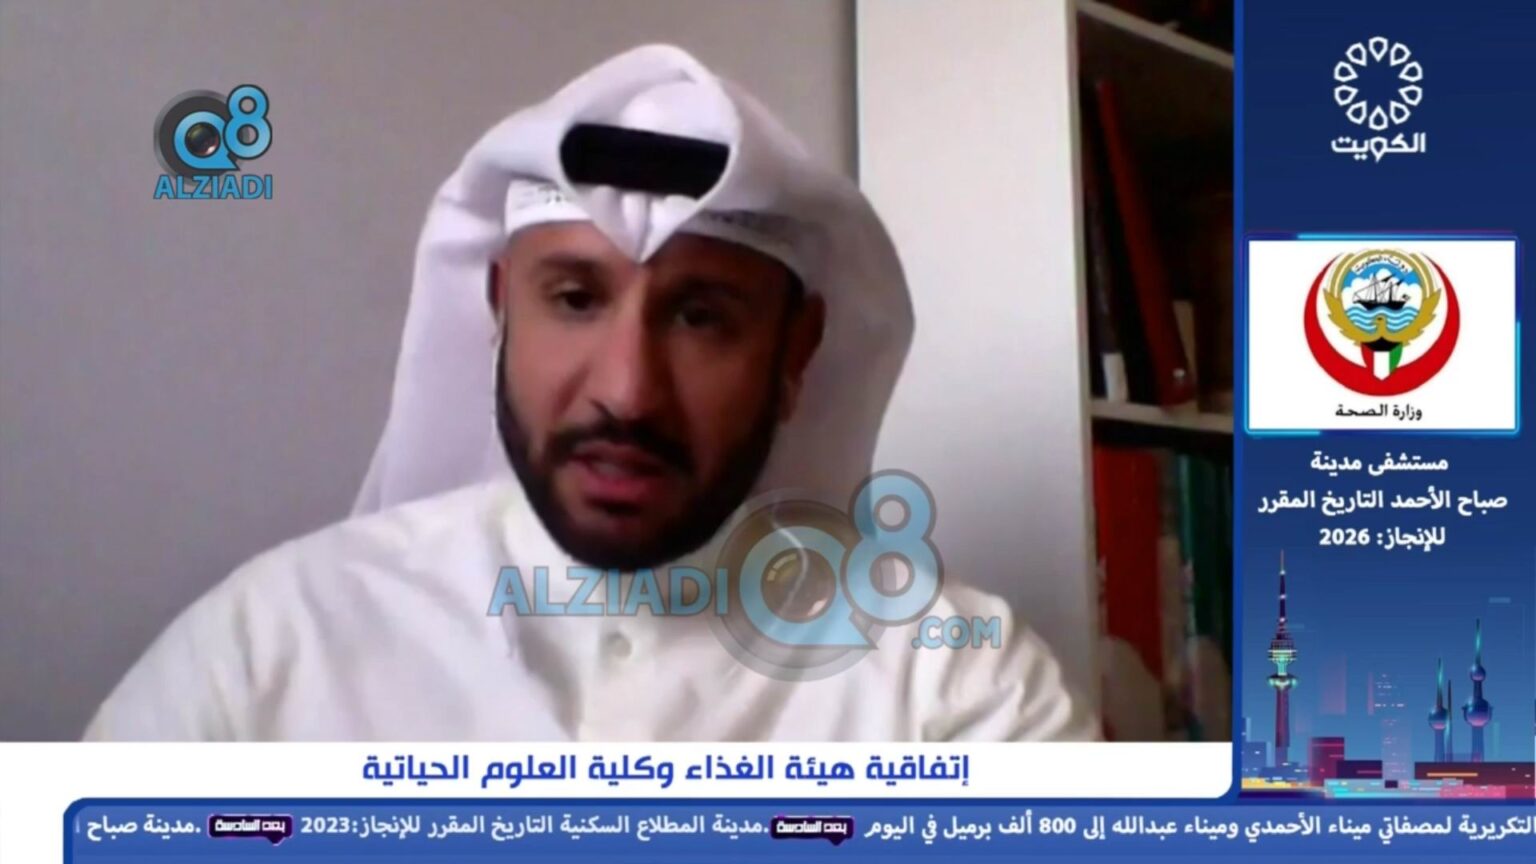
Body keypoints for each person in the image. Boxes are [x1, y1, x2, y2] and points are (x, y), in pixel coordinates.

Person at [86, 45, 1098, 741]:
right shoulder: (269, 644)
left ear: (798, 351)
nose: (627, 392)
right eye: (575, 300)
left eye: (700, 317)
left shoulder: (954, 685)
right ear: (499, 310)